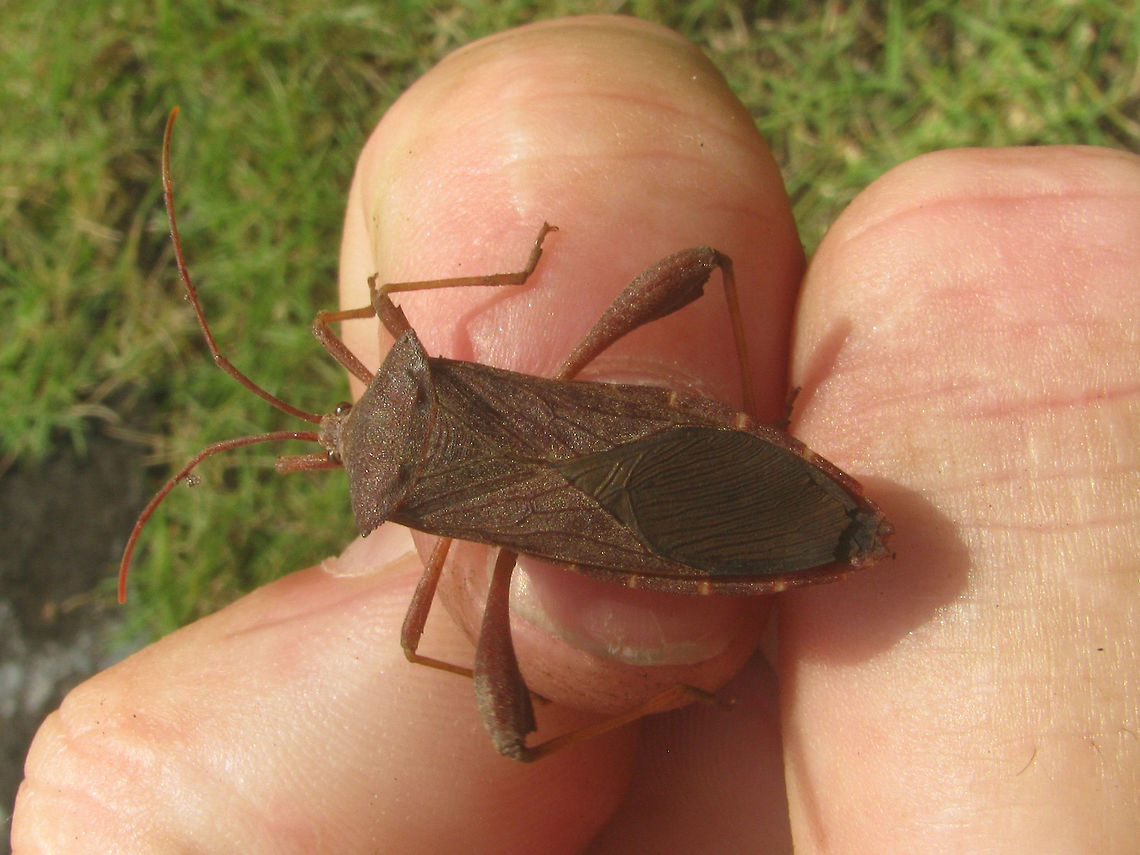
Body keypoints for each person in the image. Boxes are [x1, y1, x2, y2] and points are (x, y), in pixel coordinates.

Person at [13, 16, 1140, 853]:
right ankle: (714, 631)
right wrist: (520, 281)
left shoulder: (425, 522)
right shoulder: (396, 359)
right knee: (703, 275)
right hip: (731, 473)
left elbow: (423, 641)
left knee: (483, 705)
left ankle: (687, 680)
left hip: (712, 536)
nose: (324, 428)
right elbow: (365, 309)